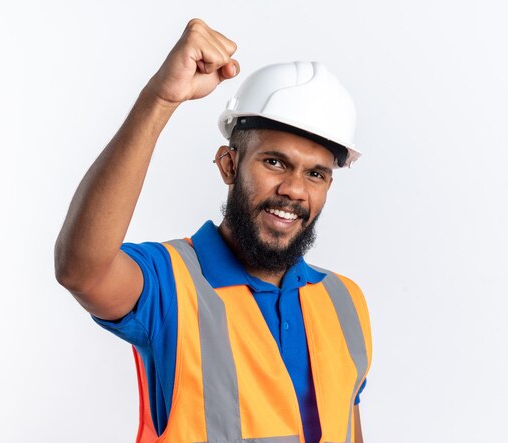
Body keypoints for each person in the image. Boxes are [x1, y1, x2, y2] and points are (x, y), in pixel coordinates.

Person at [55, 18, 372, 443]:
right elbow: (82, 271)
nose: (294, 189)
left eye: (315, 173)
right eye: (274, 162)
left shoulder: (345, 301)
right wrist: (160, 100)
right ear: (229, 165)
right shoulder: (171, 282)